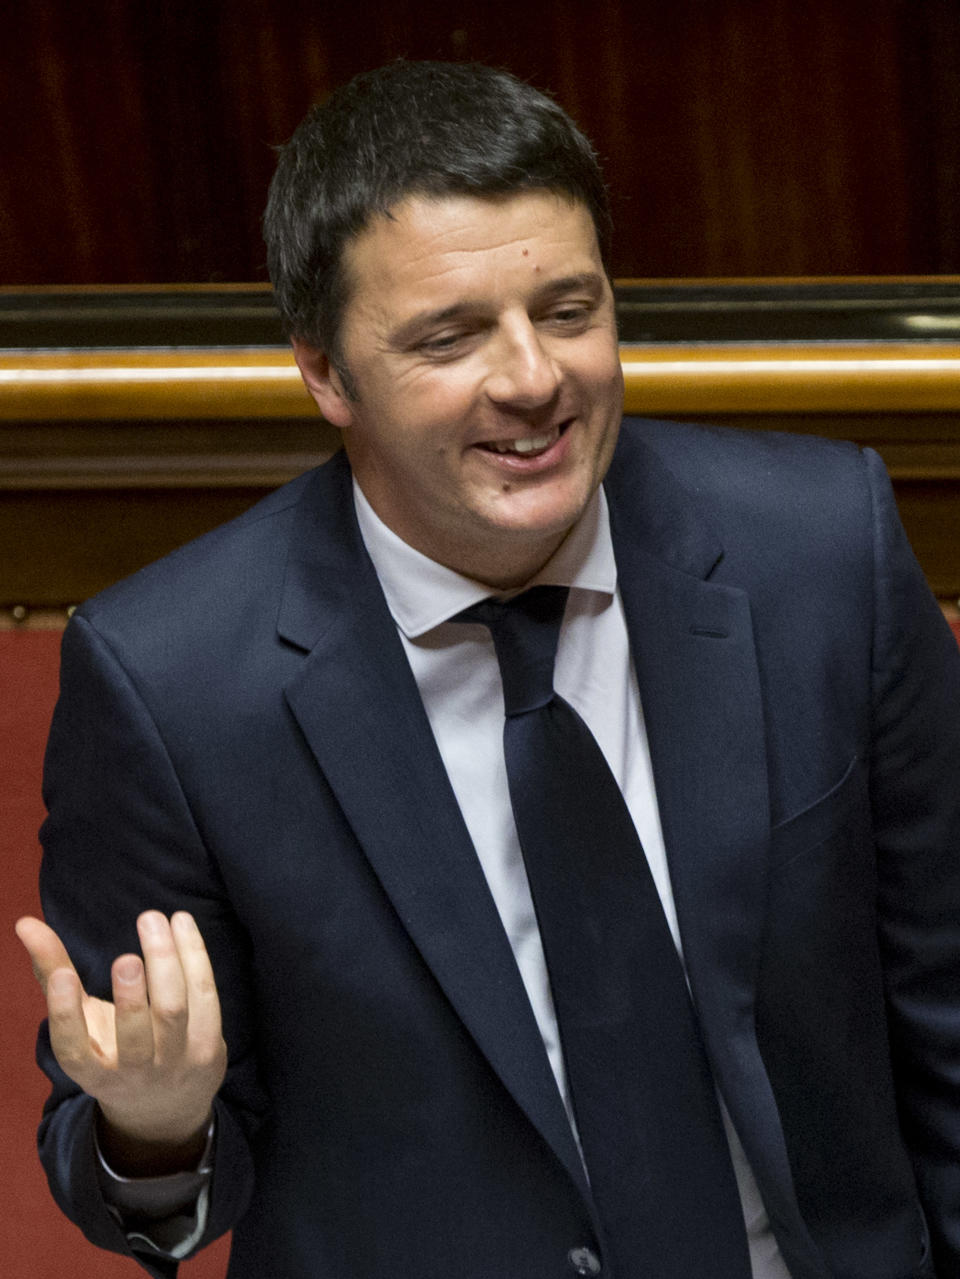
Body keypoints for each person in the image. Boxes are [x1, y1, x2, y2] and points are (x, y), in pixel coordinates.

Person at [16, 59, 960, 1279]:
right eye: (450, 337)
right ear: (325, 373)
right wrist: (155, 1125)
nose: (531, 379)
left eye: (568, 310)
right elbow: (135, 1186)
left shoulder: (821, 556)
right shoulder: (173, 682)